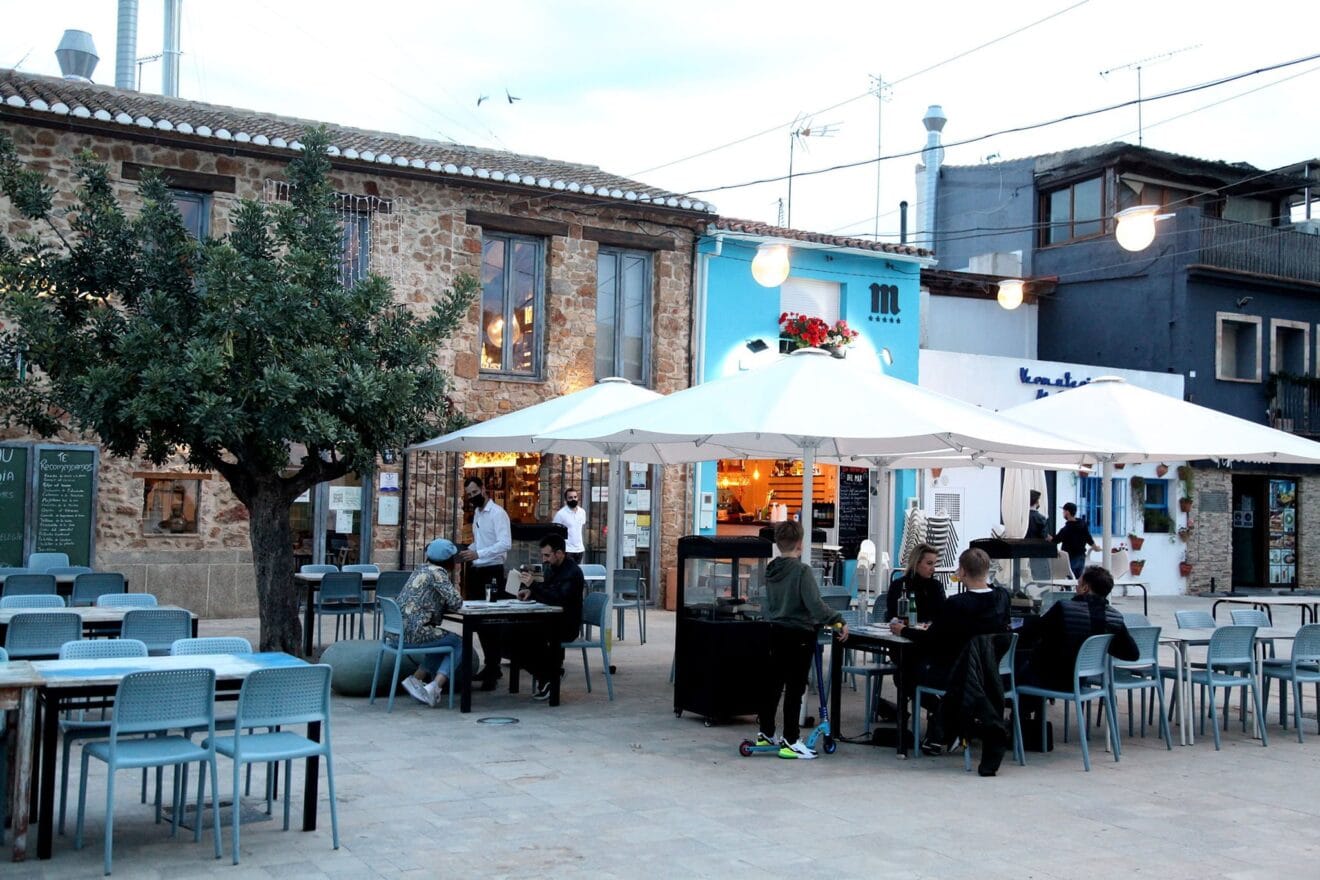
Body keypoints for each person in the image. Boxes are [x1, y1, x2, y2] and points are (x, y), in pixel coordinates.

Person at [889, 547, 1010, 754]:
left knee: (904, 674)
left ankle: (946, 719)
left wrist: (905, 630)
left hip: (957, 674)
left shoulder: (957, 604)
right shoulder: (1002, 598)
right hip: (994, 674)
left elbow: (932, 639)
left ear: (961, 572)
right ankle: (952, 719)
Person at [755, 520, 849, 760]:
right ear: (800, 542)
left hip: (776, 630)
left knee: (773, 685)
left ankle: (765, 732)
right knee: (795, 687)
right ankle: (791, 739)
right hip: (799, 634)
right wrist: (837, 619)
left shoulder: (771, 570)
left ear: (777, 542)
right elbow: (815, 605)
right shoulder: (802, 571)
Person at [1017, 565, 1139, 694]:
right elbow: (1132, 654)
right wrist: (1103, 645)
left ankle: (1023, 713)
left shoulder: (1064, 609)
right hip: (1080, 681)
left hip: (1049, 678)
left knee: (1017, 666)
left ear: (1085, 588)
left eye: (1078, 583)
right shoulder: (1115, 618)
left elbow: (1031, 632)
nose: (1076, 587)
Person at [513, 534, 585, 701]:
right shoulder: (552, 568)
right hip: (549, 619)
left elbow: (558, 598)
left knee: (526, 636)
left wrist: (533, 585)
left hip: (565, 623)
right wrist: (530, 592)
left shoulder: (572, 572)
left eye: (547, 555)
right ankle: (549, 675)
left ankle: (550, 676)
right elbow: (546, 591)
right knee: (515, 634)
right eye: (543, 555)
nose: (543, 559)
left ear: (559, 553)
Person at [457, 475, 512, 689]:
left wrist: (479, 553)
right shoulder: (478, 514)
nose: (473, 497)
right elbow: (480, 543)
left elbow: (504, 544)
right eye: (469, 495)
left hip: (491, 571)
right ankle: (490, 666)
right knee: (479, 621)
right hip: (477, 570)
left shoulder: (498, 514)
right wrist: (465, 551)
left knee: (491, 622)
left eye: (474, 492)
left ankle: (493, 667)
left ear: (483, 488)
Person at [396, 538, 465, 708]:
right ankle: (435, 686)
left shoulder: (420, 570)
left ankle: (417, 679)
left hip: (397, 632)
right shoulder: (437, 574)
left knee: (441, 641)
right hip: (415, 633)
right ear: (449, 561)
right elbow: (456, 602)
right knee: (458, 642)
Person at [885, 542, 946, 624]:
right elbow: (892, 616)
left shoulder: (936, 586)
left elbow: (943, 615)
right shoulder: (899, 585)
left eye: (934, 564)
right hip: (902, 631)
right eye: (929, 563)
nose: (933, 569)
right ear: (916, 563)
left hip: (928, 633)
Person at [1053, 502, 1096, 578]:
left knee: (1069, 579)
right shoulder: (1082, 524)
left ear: (1067, 512)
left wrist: (1047, 537)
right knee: (1078, 581)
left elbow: (1056, 540)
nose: (1063, 513)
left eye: (1063, 511)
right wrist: (1095, 547)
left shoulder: (1066, 529)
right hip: (1081, 557)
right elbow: (1088, 538)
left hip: (1070, 558)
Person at [552, 487, 587, 564]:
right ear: (566, 500)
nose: (573, 499)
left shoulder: (582, 512)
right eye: (570, 497)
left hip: (579, 549)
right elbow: (554, 531)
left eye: (575, 497)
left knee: (576, 573)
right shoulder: (561, 514)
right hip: (567, 550)